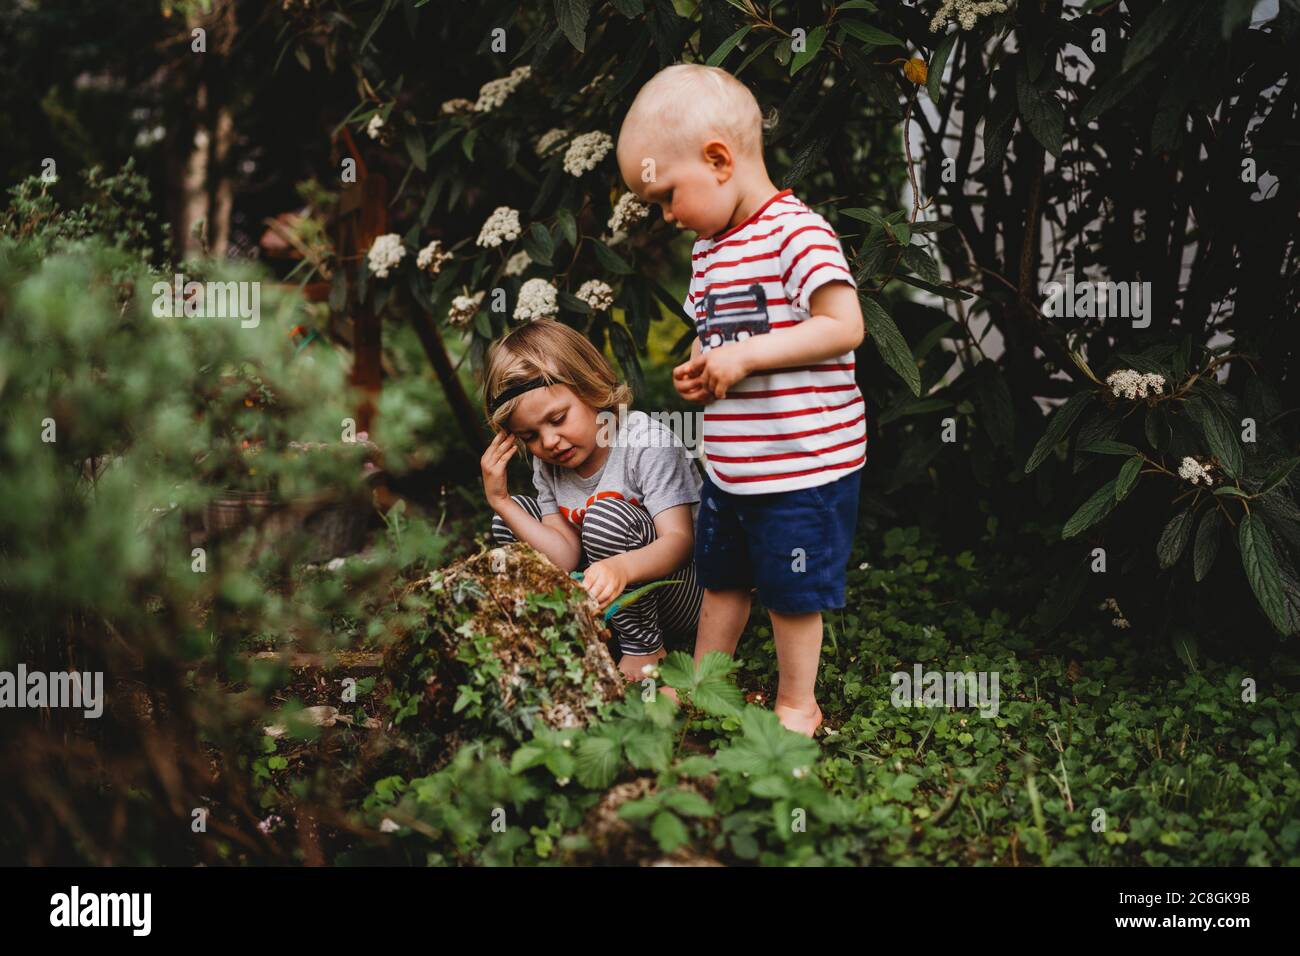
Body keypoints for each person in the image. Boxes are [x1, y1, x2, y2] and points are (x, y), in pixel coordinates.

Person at [615, 63, 867, 736]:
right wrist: (703, 368)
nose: (667, 216)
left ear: (719, 160)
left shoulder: (797, 233)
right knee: (722, 579)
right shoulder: (709, 252)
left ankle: (796, 704)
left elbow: (844, 326)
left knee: (791, 594)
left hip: (803, 465)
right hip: (733, 467)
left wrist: (746, 356)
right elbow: (720, 339)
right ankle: (703, 681)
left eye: (667, 195)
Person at [480, 319, 703, 680]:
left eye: (557, 418)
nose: (549, 442)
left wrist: (622, 568)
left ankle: (645, 650)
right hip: (608, 594)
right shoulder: (549, 464)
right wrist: (501, 501)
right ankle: (569, 630)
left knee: (605, 516)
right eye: (530, 435)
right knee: (514, 517)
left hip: (680, 594)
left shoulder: (645, 442)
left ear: (590, 387)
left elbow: (681, 543)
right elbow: (564, 556)